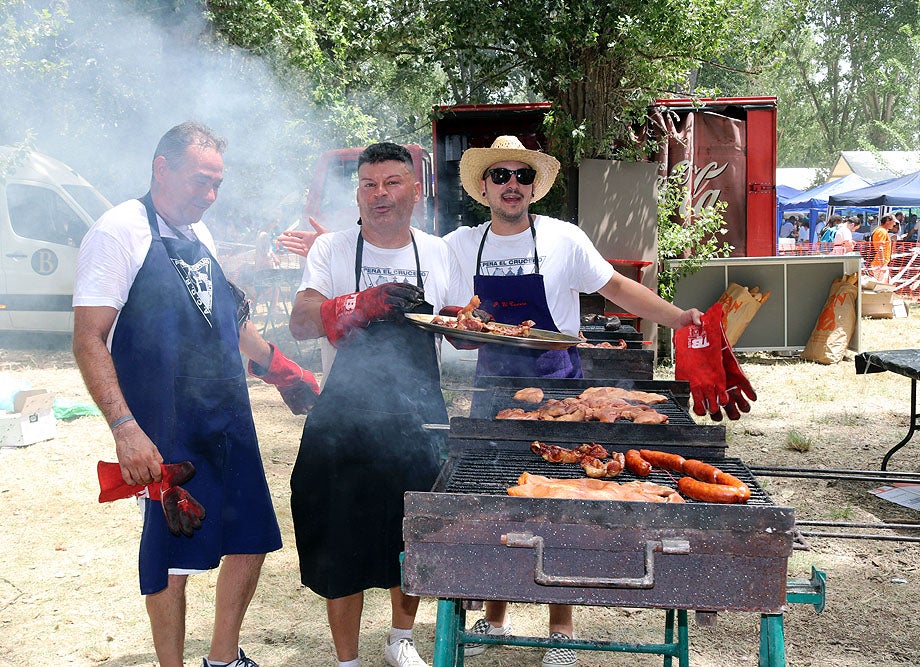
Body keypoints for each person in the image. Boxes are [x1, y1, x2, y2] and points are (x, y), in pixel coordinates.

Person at [440, 135, 704, 667]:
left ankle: (562, 630)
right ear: (484, 188)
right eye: (500, 176)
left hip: (559, 384)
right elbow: (435, 296)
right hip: (493, 387)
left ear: (534, 187)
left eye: (522, 176)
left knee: (562, 501)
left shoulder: (563, 238)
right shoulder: (460, 245)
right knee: (498, 501)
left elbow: (618, 289)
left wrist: (676, 317)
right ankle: (494, 615)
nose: (512, 185)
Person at [72, 122, 318, 667]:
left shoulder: (199, 236)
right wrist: (124, 429)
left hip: (226, 415)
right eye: (199, 182)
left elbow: (226, 325)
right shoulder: (119, 232)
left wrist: (285, 372)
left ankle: (223, 658)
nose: (209, 197)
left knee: (251, 536)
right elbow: (88, 340)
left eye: (217, 186)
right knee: (171, 556)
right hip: (165, 424)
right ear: (162, 168)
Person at [287, 142, 469, 667]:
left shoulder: (438, 253)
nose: (379, 194)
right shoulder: (334, 250)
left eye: (391, 183)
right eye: (368, 185)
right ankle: (347, 660)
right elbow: (301, 322)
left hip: (420, 417)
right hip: (344, 419)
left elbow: (458, 323)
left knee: (410, 532)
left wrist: (473, 328)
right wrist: (355, 304)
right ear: (358, 193)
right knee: (340, 540)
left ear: (415, 190)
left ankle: (401, 639)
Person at [870, 213, 897, 283]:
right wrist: (882, 264)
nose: (894, 224)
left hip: (880, 264)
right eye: (893, 222)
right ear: (888, 220)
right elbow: (880, 247)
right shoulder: (881, 231)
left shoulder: (881, 230)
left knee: (884, 286)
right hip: (878, 264)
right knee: (880, 287)